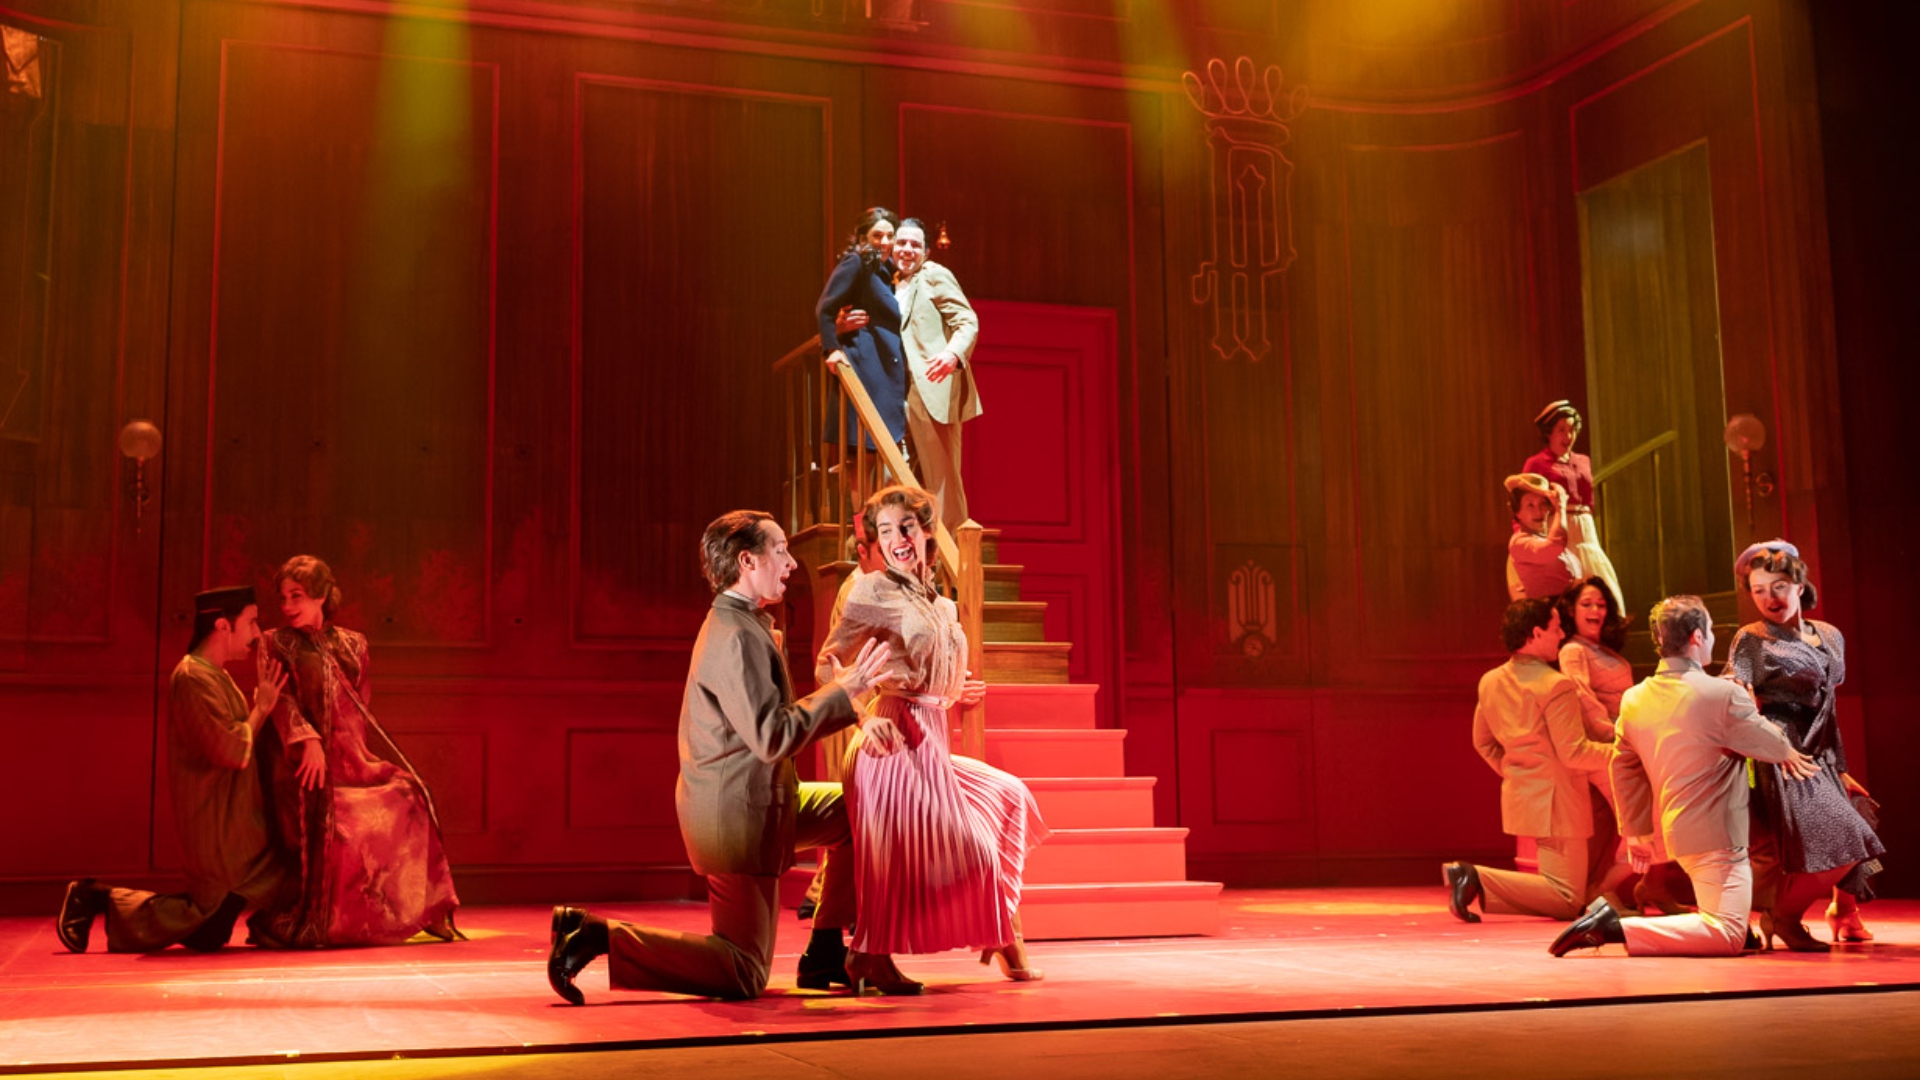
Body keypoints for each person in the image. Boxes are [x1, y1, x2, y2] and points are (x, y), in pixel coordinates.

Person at [546, 511, 894, 1003]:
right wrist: (843, 691)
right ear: (747, 561)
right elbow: (771, 735)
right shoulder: (735, 634)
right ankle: (595, 935)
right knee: (743, 972)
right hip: (737, 815)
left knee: (862, 809)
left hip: (767, 800)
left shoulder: (746, 623)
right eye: (780, 550)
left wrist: (845, 696)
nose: (792, 563)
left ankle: (826, 947)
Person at [816, 485, 1049, 989]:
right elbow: (827, 663)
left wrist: (953, 688)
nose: (897, 539)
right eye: (885, 531)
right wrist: (860, 716)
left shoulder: (942, 604)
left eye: (906, 527)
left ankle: (998, 933)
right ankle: (871, 953)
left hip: (932, 742)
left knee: (1010, 795)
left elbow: (925, 668)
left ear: (925, 532)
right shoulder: (872, 591)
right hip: (890, 747)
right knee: (975, 849)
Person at [1549, 595, 1820, 957]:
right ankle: (1612, 927)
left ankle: (1620, 925)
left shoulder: (1634, 699)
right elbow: (1772, 745)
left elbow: (1624, 767)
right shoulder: (1722, 694)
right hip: (1719, 834)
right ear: (1696, 636)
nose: (1713, 638)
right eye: (1710, 630)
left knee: (1728, 926)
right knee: (1726, 934)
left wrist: (1636, 831)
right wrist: (1753, 708)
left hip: (1677, 830)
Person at [57, 587, 291, 953]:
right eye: (251, 622)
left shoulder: (216, 675)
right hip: (217, 829)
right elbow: (232, 750)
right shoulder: (192, 677)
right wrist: (261, 708)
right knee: (213, 920)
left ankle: (97, 898)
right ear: (222, 626)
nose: (257, 633)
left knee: (211, 930)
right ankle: (93, 896)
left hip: (236, 823)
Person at [251, 556, 462, 947]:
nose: (287, 606)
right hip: (301, 766)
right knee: (343, 824)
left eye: (297, 596)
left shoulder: (354, 644)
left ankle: (425, 910)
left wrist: (357, 758)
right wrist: (308, 741)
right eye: (283, 598)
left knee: (413, 794)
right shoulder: (274, 643)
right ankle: (331, 921)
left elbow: (357, 709)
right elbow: (280, 701)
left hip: (351, 760)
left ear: (320, 596)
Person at [1724, 540, 1885, 950]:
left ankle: (1843, 911)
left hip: (1820, 748)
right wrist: (1747, 708)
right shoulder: (1751, 639)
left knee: (1861, 813)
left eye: (1778, 586)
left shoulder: (1829, 635)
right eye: (1759, 591)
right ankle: (1783, 916)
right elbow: (1734, 696)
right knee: (1850, 837)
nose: (1770, 598)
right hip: (1783, 752)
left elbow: (1828, 707)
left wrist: (1841, 768)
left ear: (1799, 585)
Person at [1443, 598, 1625, 922]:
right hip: (1559, 800)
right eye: (1556, 629)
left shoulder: (1491, 680)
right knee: (1567, 899)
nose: (1561, 635)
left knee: (1567, 893)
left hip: (1525, 795)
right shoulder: (1555, 685)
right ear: (1536, 633)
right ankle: (1475, 877)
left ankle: (1475, 879)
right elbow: (1574, 753)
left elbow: (1483, 742)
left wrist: (1515, 770)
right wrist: (1624, 754)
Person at [891, 218, 982, 528]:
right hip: (897, 390)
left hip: (930, 385)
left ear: (926, 252)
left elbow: (966, 321)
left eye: (915, 245)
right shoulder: (889, 283)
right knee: (906, 480)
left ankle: (954, 551)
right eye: (901, 242)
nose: (907, 249)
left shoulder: (933, 275)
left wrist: (952, 354)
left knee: (941, 479)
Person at [816, 207, 908, 452]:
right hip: (865, 363)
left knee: (877, 448)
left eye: (890, 236)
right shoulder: (857, 262)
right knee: (864, 448)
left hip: (883, 367)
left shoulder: (887, 272)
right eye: (877, 236)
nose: (885, 242)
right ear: (863, 237)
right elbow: (825, 307)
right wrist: (832, 349)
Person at [1522, 401, 1623, 607]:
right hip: (1559, 526)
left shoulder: (1583, 461)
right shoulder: (1536, 463)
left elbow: (1589, 500)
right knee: (1568, 584)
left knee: (1596, 581)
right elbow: (1525, 504)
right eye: (1561, 430)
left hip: (1585, 529)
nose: (1568, 436)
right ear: (1549, 433)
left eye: (1572, 430)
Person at [1504, 473, 1579, 602]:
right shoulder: (1518, 542)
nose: (1538, 512)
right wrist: (1560, 507)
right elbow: (1555, 545)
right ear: (1517, 511)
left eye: (1543, 503)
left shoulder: (1545, 537)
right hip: (1547, 611)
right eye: (1530, 505)